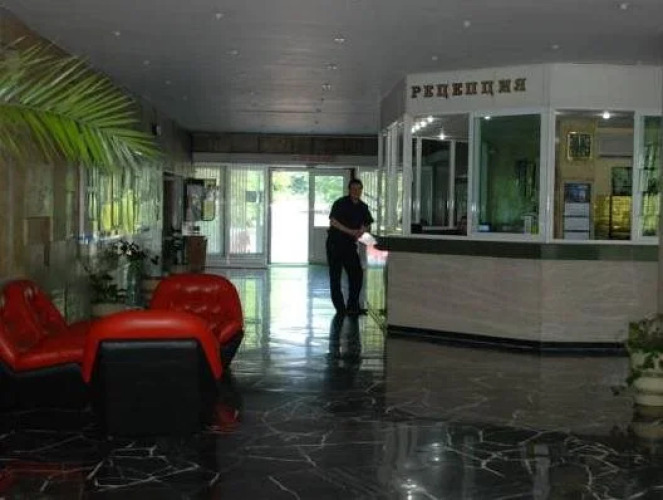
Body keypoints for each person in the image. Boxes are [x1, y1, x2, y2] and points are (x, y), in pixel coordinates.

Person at [326, 178, 374, 315]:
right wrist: (351, 231)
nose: (356, 191)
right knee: (335, 276)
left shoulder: (363, 207)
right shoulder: (340, 203)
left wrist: (363, 230)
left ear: (361, 190)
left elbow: (368, 223)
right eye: (353, 189)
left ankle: (353, 306)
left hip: (349, 245)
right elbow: (333, 222)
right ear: (349, 190)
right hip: (335, 243)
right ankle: (340, 309)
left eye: (358, 189)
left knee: (357, 274)